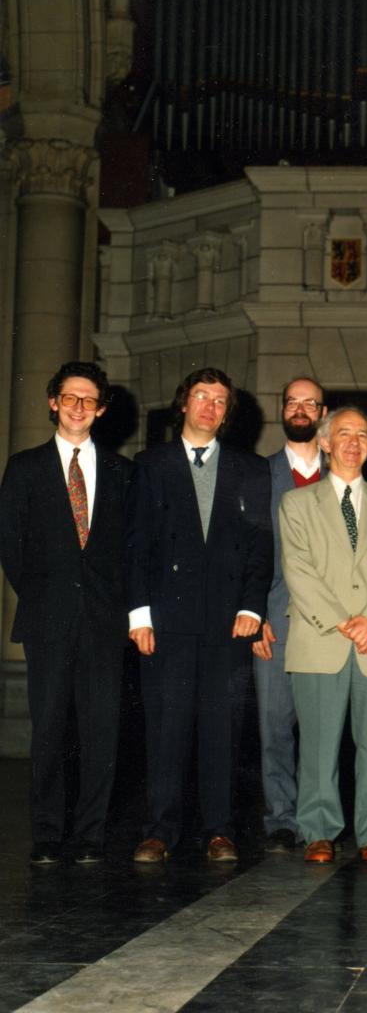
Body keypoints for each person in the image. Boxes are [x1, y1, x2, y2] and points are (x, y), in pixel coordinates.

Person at [126, 368, 273, 863]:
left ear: (228, 412)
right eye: (201, 397)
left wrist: (253, 605)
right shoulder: (149, 465)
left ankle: (219, 829)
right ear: (183, 404)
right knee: (165, 728)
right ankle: (158, 831)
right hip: (167, 619)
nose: (210, 406)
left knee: (223, 729)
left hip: (229, 620)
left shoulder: (250, 470)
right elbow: (137, 545)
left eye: (220, 400)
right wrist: (139, 615)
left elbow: (260, 547)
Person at [0, 362, 133, 865]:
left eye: (89, 400)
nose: (79, 407)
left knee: (102, 730)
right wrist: (44, 596)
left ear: (100, 410)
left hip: (104, 620)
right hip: (48, 620)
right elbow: (10, 546)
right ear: (53, 402)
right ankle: (49, 833)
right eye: (70, 398)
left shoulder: (124, 473)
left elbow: (129, 549)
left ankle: (91, 834)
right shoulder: (25, 468)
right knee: (50, 727)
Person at [279, 406, 367, 864]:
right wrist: (342, 620)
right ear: (324, 443)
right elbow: (298, 570)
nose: (353, 442)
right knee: (318, 746)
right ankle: (318, 830)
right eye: (343, 434)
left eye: (362, 435)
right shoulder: (296, 504)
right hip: (320, 641)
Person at [251, 377, 328, 853]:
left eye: (309, 403)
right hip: (274, 619)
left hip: (329, 623)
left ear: (323, 411)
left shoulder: (345, 472)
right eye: (291, 401)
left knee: (323, 726)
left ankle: (319, 815)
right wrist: (254, 614)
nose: (300, 409)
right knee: (274, 724)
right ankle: (281, 816)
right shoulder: (260, 475)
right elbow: (249, 552)